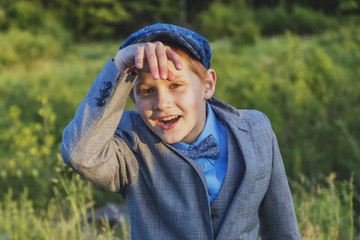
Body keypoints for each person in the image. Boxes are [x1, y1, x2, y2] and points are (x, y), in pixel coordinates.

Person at [61, 23, 301, 239]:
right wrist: (120, 65)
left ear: (208, 85)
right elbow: (79, 154)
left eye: (175, 85)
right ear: (132, 98)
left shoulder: (256, 128)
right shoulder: (129, 144)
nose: (162, 103)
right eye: (146, 91)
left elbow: (283, 229)